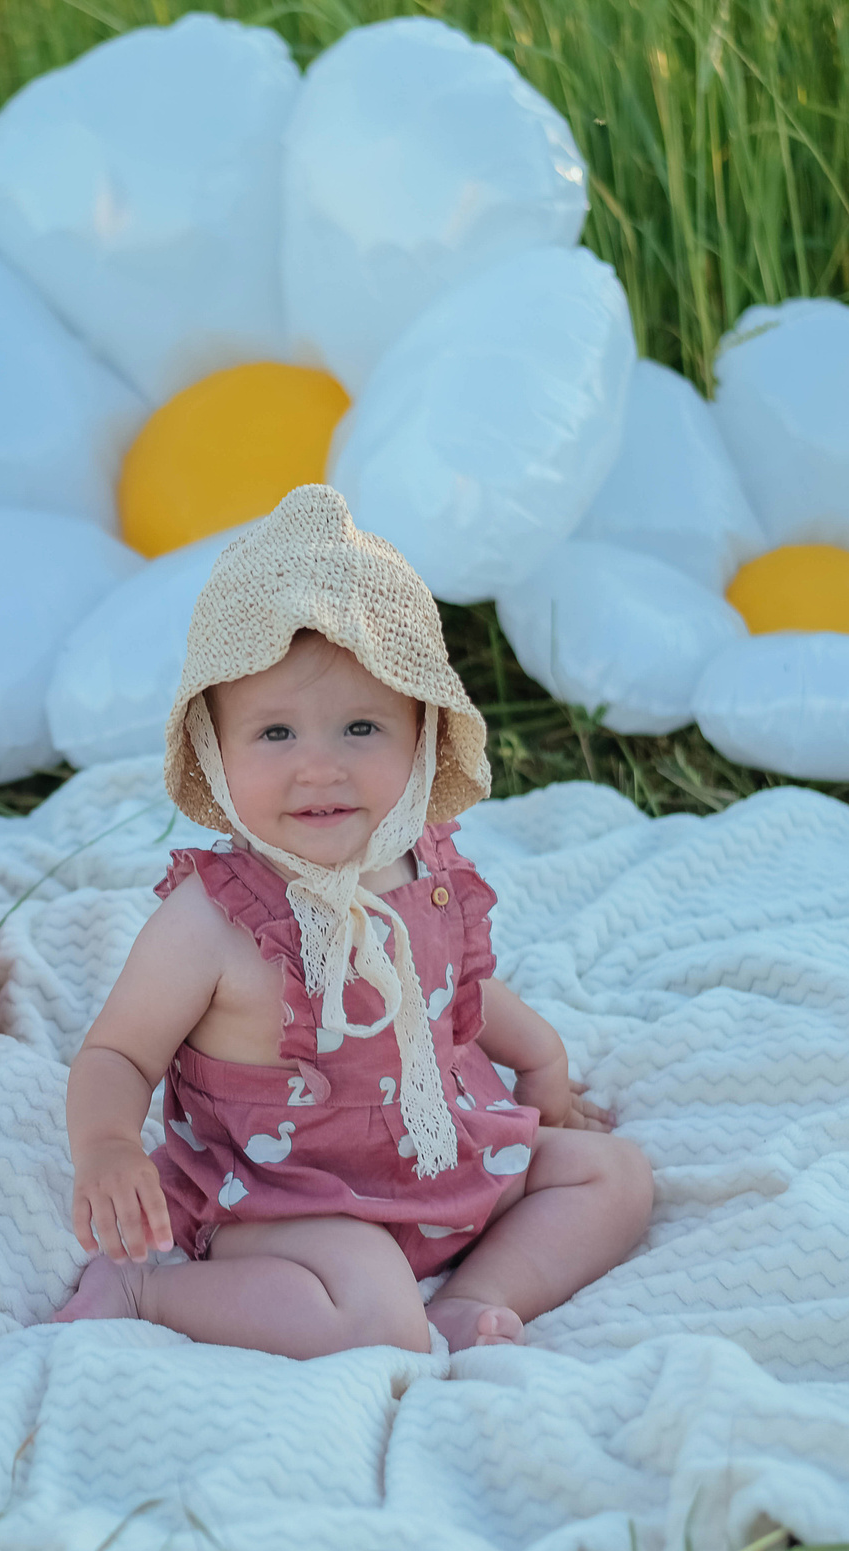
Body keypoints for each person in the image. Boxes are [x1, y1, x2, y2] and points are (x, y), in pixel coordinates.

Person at [54, 485, 652, 1358]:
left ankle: (474, 1295)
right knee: (372, 1312)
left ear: (423, 739)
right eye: (276, 734)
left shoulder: (423, 865)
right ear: (216, 752)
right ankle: (151, 1288)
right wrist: (108, 1146)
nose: (321, 768)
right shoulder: (213, 919)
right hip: (290, 1197)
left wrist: (543, 1064)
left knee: (617, 1177)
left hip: (442, 1150)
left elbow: (457, 989)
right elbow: (117, 1051)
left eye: (361, 727)